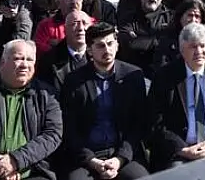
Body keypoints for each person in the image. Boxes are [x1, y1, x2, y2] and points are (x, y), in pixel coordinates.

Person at [0, 40, 63, 180]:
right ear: (2, 63)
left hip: (32, 171)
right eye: (18, 58)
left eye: (30, 59)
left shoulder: (47, 95)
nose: (25, 65)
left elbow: (53, 134)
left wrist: (16, 160)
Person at [58, 23, 149, 180]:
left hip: (123, 153)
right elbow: (70, 129)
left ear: (117, 45)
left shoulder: (133, 75)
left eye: (110, 43)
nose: (106, 50)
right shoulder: (74, 81)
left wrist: (119, 159)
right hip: (87, 156)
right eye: (100, 46)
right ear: (89, 51)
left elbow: (139, 124)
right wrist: (92, 161)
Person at [147, 23, 205, 170]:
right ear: (182, 50)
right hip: (180, 150)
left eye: (203, 46)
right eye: (193, 47)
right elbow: (155, 121)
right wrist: (182, 149)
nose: (199, 51)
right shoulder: (165, 76)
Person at [40, 10, 93, 91]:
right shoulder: (49, 60)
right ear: (65, 29)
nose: (81, 28)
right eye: (74, 23)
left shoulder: (99, 55)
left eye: (85, 23)